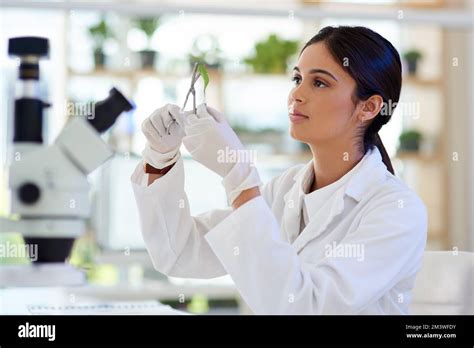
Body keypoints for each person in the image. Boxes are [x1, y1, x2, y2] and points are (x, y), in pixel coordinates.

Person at [131, 26, 427, 314]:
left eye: (319, 82)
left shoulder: (396, 211)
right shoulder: (285, 189)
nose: (296, 95)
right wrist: (160, 159)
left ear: (369, 107)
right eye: (297, 78)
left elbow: (303, 306)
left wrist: (238, 174)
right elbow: (180, 254)